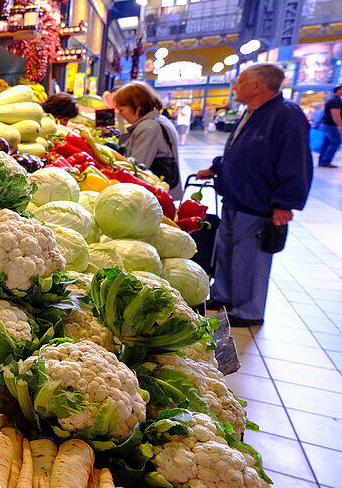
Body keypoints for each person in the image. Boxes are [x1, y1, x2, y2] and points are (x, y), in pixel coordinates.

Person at [196, 63, 313, 327]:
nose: (235, 86)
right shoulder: (252, 112)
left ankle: (249, 310)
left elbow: (295, 162)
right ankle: (223, 296)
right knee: (226, 250)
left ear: (257, 85)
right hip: (235, 197)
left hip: (260, 203)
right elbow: (241, 151)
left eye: (240, 81)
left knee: (250, 257)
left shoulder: (286, 116)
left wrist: (284, 203)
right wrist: (216, 168)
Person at [112, 81, 183, 198]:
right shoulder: (159, 119)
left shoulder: (148, 128)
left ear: (138, 107)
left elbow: (136, 167)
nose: (120, 115)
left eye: (122, 110)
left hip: (156, 194)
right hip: (164, 190)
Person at [318, 84, 342, 168]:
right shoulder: (336, 101)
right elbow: (335, 114)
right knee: (336, 142)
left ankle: (322, 161)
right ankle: (326, 161)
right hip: (331, 125)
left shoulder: (332, 100)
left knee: (327, 143)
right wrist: (340, 125)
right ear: (338, 90)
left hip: (327, 125)